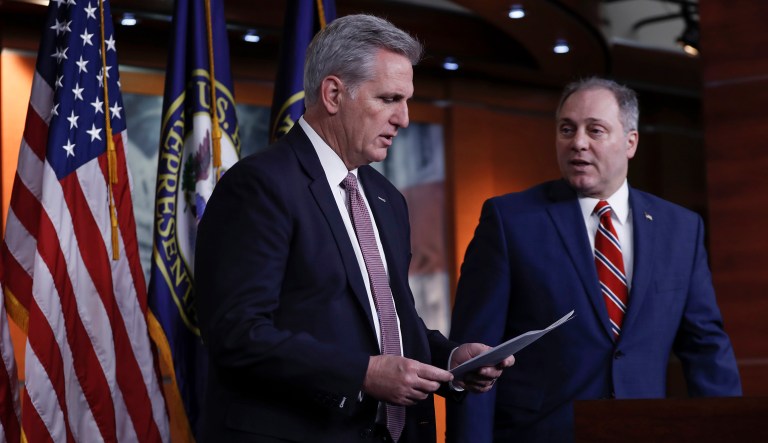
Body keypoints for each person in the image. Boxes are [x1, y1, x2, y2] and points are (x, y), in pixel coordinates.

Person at [195, 14, 513, 443]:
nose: (403, 118)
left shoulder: (385, 197)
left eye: (406, 100)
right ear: (333, 94)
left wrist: (453, 358)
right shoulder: (260, 186)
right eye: (388, 99)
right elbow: (237, 333)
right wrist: (361, 374)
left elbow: (389, 319)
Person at [446, 77, 742, 443]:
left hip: (646, 431)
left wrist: (730, 429)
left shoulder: (680, 228)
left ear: (630, 142)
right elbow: (476, 358)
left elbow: (705, 347)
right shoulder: (510, 221)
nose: (578, 143)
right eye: (566, 130)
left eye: (595, 130)